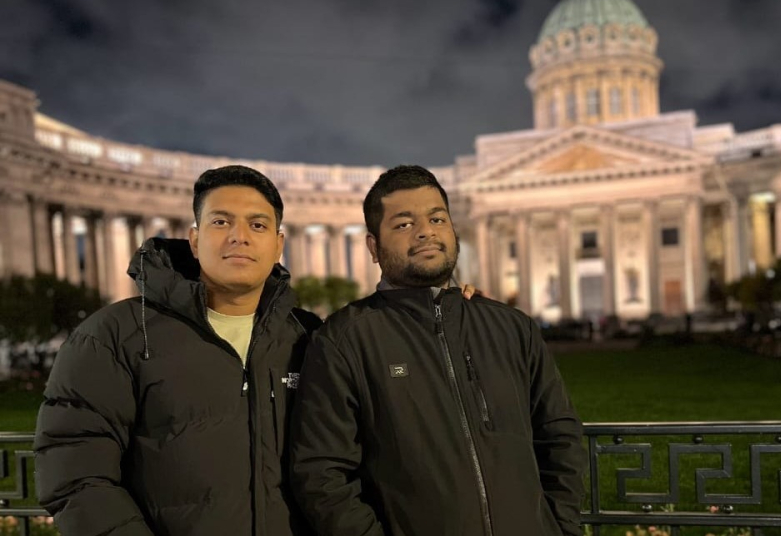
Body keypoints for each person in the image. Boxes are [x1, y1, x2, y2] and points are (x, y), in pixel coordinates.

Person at [291, 165, 587, 536]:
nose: (426, 231)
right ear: (373, 247)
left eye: (436, 218)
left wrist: (560, 528)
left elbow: (559, 436)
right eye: (403, 224)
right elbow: (322, 474)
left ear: (452, 229)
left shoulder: (512, 327)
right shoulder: (343, 340)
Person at [34, 165, 322, 536]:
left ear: (278, 244)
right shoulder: (113, 335)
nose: (240, 237)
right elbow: (74, 470)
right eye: (221, 222)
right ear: (195, 239)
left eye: (258, 225)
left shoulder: (309, 336)